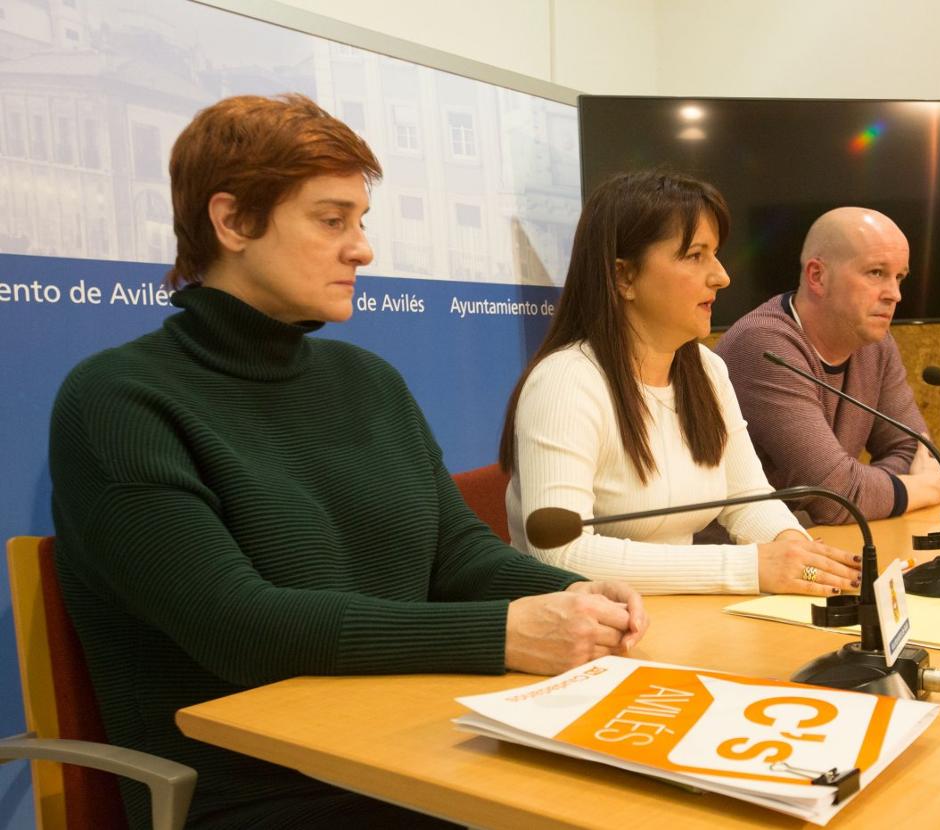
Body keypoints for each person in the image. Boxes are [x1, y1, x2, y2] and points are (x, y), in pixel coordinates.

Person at [48, 94, 647, 830]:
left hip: (420, 750)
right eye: (332, 221)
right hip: (263, 796)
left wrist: (579, 600)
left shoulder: (367, 380)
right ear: (232, 222)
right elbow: (240, 626)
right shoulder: (119, 400)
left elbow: (455, 557)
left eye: (360, 223)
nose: (361, 249)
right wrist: (507, 634)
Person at [499, 170, 861, 596]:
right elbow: (560, 554)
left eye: (716, 254)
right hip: (579, 631)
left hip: (679, 616)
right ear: (623, 277)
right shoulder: (565, 382)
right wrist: (749, 567)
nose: (722, 276)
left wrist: (798, 553)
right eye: (695, 255)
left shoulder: (705, 369)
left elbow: (746, 498)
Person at [715, 207, 940, 525]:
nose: (895, 295)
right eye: (876, 273)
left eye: (900, 277)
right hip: (743, 559)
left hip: (819, 546)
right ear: (817, 276)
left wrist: (862, 488)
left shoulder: (875, 344)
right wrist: (919, 490)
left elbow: (915, 452)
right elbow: (836, 500)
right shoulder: (762, 345)